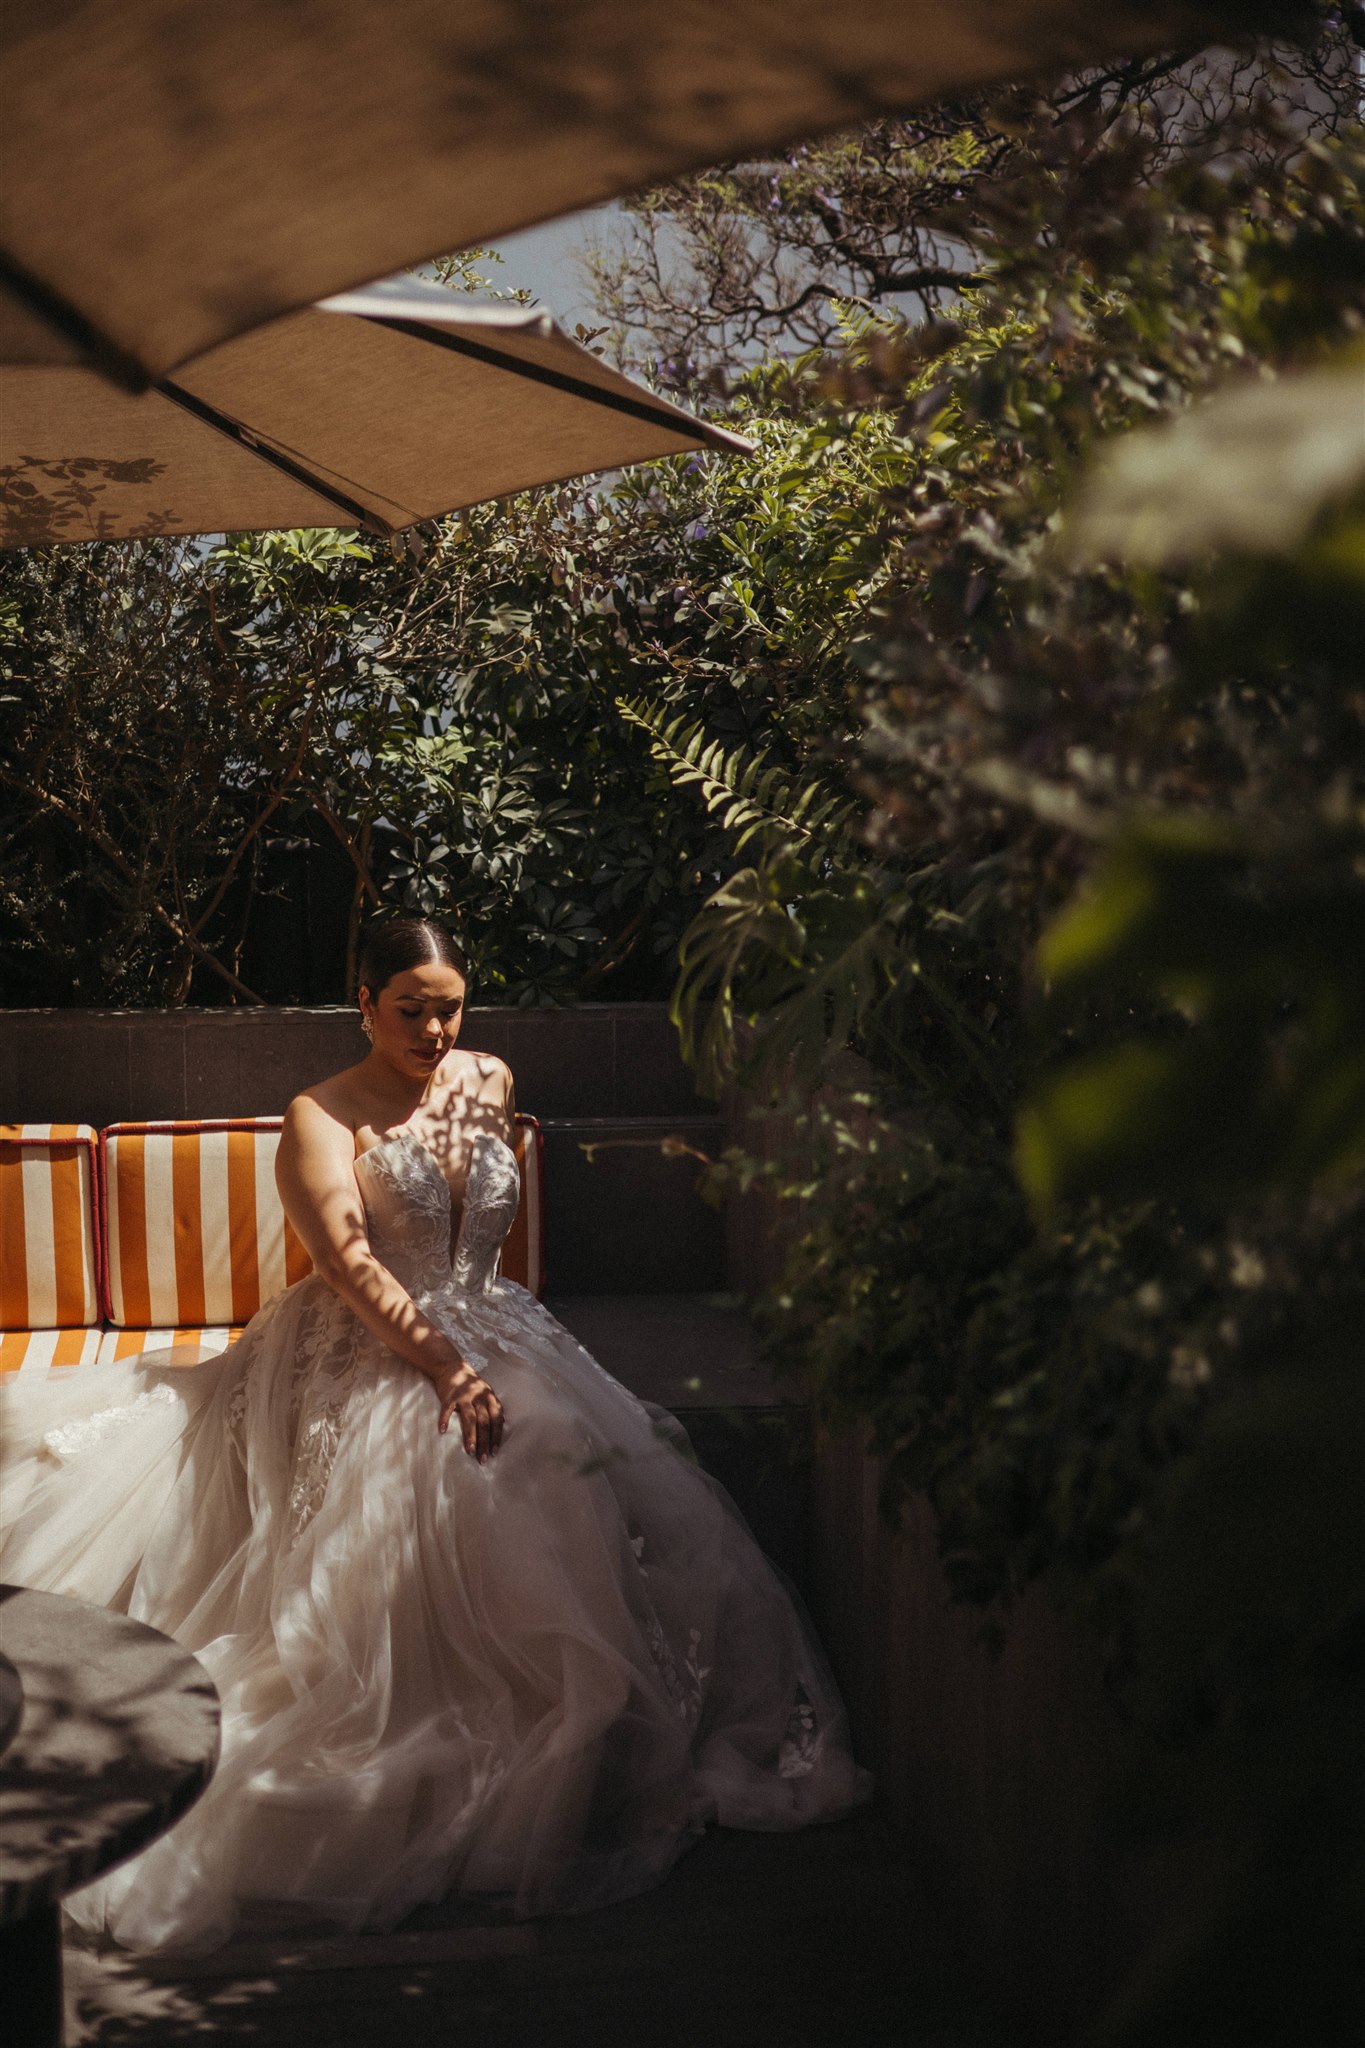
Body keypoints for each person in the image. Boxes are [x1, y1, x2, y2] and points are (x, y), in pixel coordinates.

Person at [0, 916, 869, 1954]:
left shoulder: (489, 1079)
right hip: (365, 1337)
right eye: (409, 1009)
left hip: (501, 1323)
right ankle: (512, 1720)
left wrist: (479, 1350)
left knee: (567, 1446)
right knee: (477, 1461)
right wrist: (449, 1368)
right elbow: (346, 1264)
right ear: (363, 1003)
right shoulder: (319, 1114)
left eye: (449, 1007)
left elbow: (477, 1237)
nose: (432, 1029)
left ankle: (588, 1726)